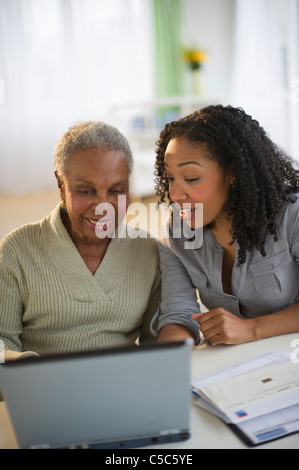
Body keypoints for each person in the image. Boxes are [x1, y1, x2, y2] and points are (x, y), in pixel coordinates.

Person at [0, 121, 160, 364]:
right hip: (45, 390)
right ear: (61, 185)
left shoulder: (147, 250)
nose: (103, 207)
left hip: (123, 387)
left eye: (117, 190)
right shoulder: (17, 252)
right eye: (85, 191)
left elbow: (158, 342)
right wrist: (28, 368)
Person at [151, 105, 299, 346]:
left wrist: (251, 329)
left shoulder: (292, 214)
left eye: (190, 178)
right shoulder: (176, 230)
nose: (175, 194)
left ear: (233, 172)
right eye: (170, 178)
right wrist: (169, 359)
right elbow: (177, 312)